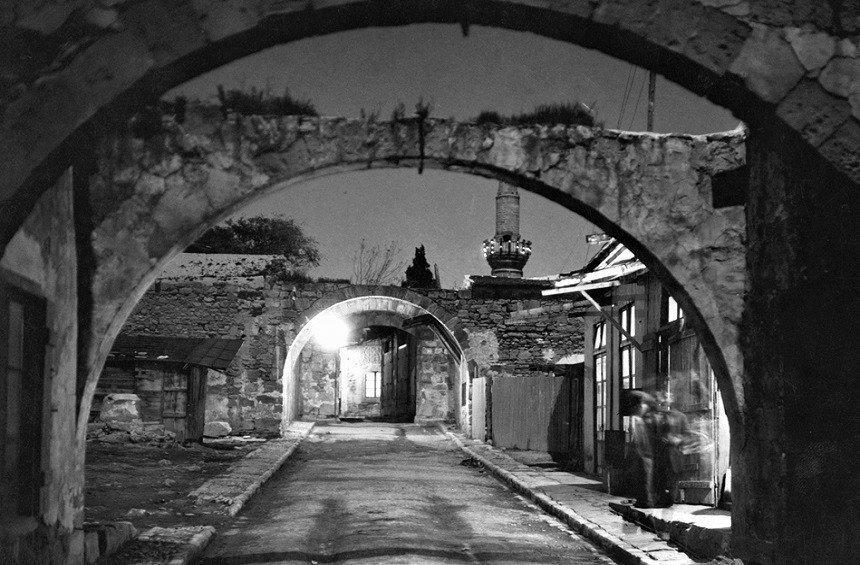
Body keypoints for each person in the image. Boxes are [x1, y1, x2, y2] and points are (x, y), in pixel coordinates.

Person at [630, 390, 690, 508]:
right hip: (657, 456)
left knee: (672, 487)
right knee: (658, 483)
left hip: (673, 456)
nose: (661, 402)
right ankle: (657, 502)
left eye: (664, 399)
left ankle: (669, 503)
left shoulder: (680, 417)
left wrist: (678, 439)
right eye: (659, 400)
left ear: (671, 400)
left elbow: (688, 435)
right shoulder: (652, 417)